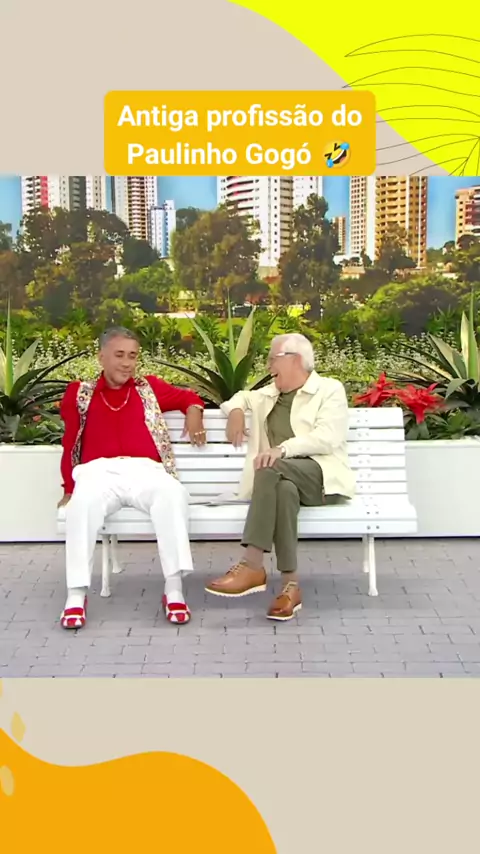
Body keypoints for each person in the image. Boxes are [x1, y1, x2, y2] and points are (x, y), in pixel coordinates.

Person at [58, 326, 206, 630]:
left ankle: (174, 589)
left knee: (172, 494)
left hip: (145, 471)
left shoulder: (149, 388)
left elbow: (189, 397)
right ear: (101, 357)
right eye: (119, 355)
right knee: (80, 506)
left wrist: (194, 413)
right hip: (98, 472)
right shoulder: (79, 393)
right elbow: (70, 442)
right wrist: (69, 488)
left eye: (133, 356)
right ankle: (75, 596)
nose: (127, 363)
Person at [205, 333, 355, 621]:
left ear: (295, 359)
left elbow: (327, 438)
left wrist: (282, 450)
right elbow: (241, 397)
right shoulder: (270, 394)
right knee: (283, 491)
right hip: (283, 478)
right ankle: (290, 587)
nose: (268, 366)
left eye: (272, 359)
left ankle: (252, 564)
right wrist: (235, 411)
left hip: (322, 477)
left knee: (268, 466)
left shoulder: (329, 389)